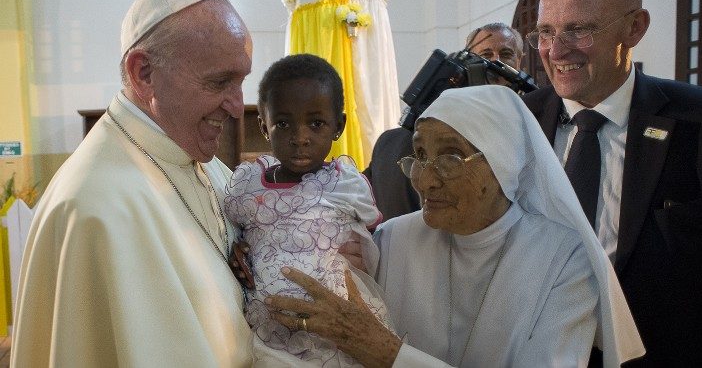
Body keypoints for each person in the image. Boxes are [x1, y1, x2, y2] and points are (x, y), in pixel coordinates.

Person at [263, 85, 645, 367]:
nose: (424, 180)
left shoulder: (565, 258)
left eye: (450, 157)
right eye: (421, 155)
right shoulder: (395, 238)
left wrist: (385, 352)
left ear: (502, 163)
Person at [11, 0, 255, 367]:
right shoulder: (94, 207)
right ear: (144, 73)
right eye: (219, 82)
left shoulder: (208, 169)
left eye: (241, 81)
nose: (238, 106)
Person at [522, 0, 702, 366]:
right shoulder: (516, 123)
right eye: (545, 32)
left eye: (578, 29)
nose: (555, 51)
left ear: (635, 27)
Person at [224, 54, 389, 367]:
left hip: (335, 323)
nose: (300, 138)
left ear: (338, 126)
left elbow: (372, 235)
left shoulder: (344, 182)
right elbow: (235, 231)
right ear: (264, 126)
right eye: (283, 124)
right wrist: (239, 251)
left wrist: (361, 253)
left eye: (316, 123)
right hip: (270, 322)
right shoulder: (247, 184)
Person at [364, 22, 524, 222]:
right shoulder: (391, 144)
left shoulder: (529, 127)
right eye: (485, 56)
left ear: (520, 62)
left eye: (506, 54)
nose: (496, 64)